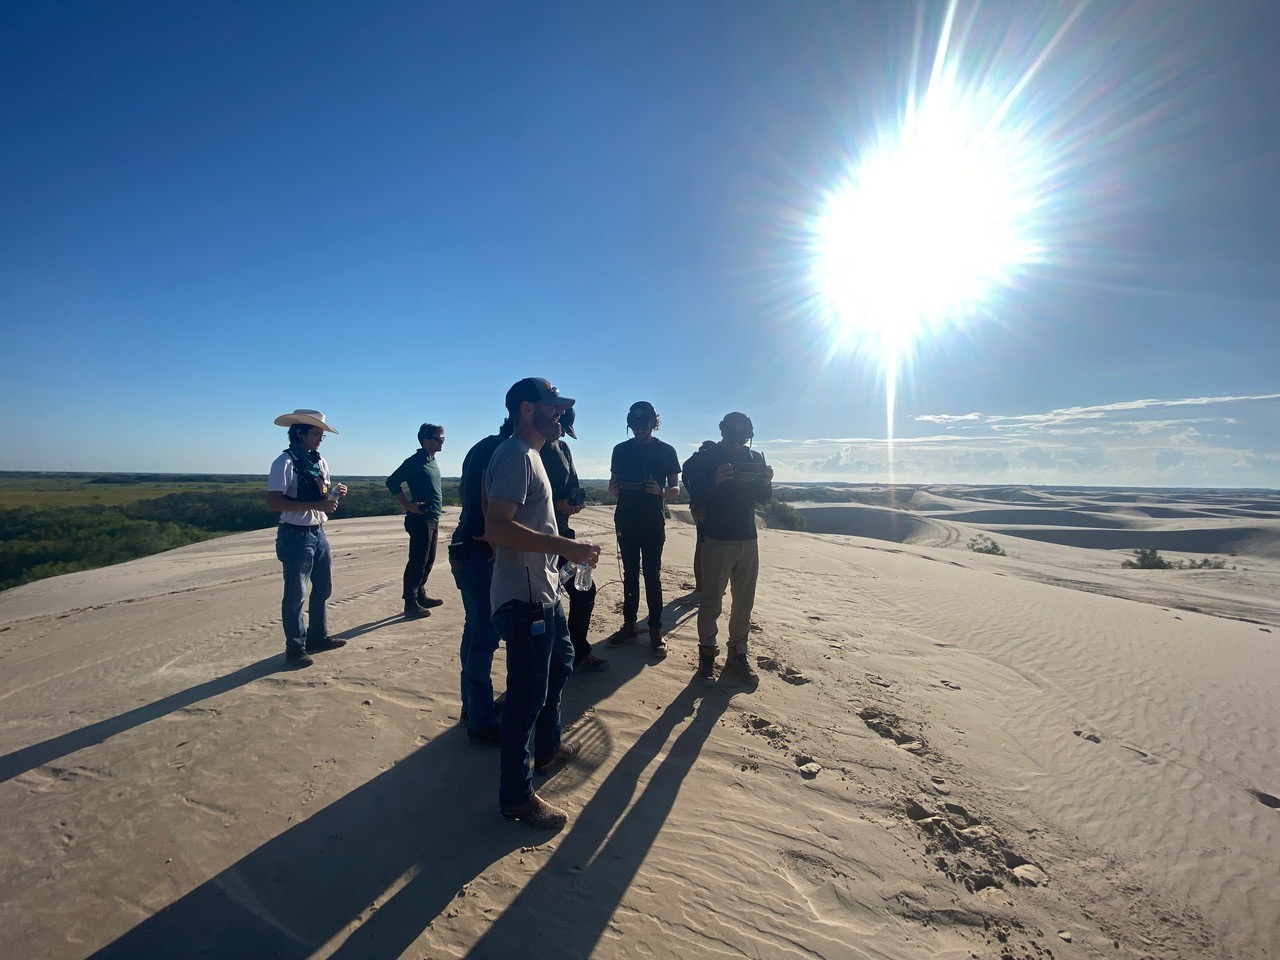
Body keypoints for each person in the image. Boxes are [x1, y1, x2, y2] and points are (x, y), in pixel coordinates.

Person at [484, 377, 599, 830]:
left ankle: (548, 749)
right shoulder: (514, 454)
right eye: (554, 408)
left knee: (562, 663)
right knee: (525, 699)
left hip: (543, 591)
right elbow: (497, 525)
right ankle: (517, 797)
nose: (561, 416)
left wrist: (563, 556)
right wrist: (566, 548)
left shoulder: (530, 456)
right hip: (524, 598)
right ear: (527, 408)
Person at [682, 412, 773, 688]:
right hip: (717, 539)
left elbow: (764, 500)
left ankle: (737, 654)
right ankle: (707, 658)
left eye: (743, 439)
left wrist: (766, 482)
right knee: (711, 602)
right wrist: (715, 479)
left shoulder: (755, 458)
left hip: (748, 538)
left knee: (744, 602)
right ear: (723, 434)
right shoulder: (707, 457)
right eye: (733, 440)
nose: (738, 445)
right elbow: (693, 492)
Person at [266, 409, 349, 669]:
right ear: (299, 432)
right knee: (295, 594)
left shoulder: (320, 461)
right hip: (295, 535)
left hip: (318, 533)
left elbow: (321, 498)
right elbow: (273, 501)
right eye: (316, 433)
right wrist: (317, 504)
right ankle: (295, 647)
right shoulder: (284, 462)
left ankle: (317, 636)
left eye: (322, 433)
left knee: (323, 588)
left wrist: (334, 495)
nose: (321, 438)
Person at [449, 416, 512, 745]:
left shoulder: (480, 447)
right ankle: (480, 719)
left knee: (474, 629)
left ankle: (472, 707)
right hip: (480, 552)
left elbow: (463, 491)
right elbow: (491, 499)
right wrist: (495, 541)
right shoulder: (505, 451)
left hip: (463, 546)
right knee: (484, 635)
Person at [607, 401, 681, 657]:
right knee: (629, 573)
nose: (639, 430)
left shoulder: (667, 451)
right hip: (625, 518)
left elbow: (675, 489)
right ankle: (628, 626)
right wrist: (613, 489)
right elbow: (612, 484)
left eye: (644, 425)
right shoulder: (620, 450)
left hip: (652, 519)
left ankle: (654, 629)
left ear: (653, 423)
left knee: (652, 575)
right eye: (635, 426)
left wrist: (660, 491)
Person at [540, 407, 608, 673]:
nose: (559, 433)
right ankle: (558, 657)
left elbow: (573, 485)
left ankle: (576, 651)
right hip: (537, 540)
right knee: (544, 603)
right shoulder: (525, 450)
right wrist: (556, 503)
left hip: (564, 535)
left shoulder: (564, 448)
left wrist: (574, 502)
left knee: (584, 591)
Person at [386, 422, 446, 619]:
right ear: (426, 441)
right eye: (439, 439)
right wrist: (408, 505)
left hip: (433, 517)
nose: (442, 442)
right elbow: (392, 481)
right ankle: (410, 603)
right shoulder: (415, 461)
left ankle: (420, 594)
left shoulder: (431, 460)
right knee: (418, 560)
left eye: (443, 438)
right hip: (420, 519)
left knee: (429, 559)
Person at [683, 440, 717, 594]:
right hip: (709, 508)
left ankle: (700, 584)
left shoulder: (690, 462)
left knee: (700, 544)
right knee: (709, 545)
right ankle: (704, 585)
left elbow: (687, 484)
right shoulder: (710, 461)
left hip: (695, 507)